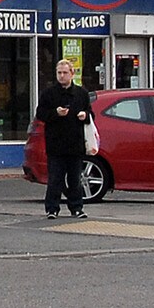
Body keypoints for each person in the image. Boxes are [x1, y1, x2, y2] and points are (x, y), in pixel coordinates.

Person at [34, 56, 93, 220]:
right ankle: (52, 208)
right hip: (56, 144)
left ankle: (77, 208)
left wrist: (84, 115)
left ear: (72, 73)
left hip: (75, 143)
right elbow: (41, 114)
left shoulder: (81, 93)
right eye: (59, 73)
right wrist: (55, 113)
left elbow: (90, 114)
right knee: (55, 179)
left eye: (65, 72)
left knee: (75, 179)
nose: (61, 76)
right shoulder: (49, 93)